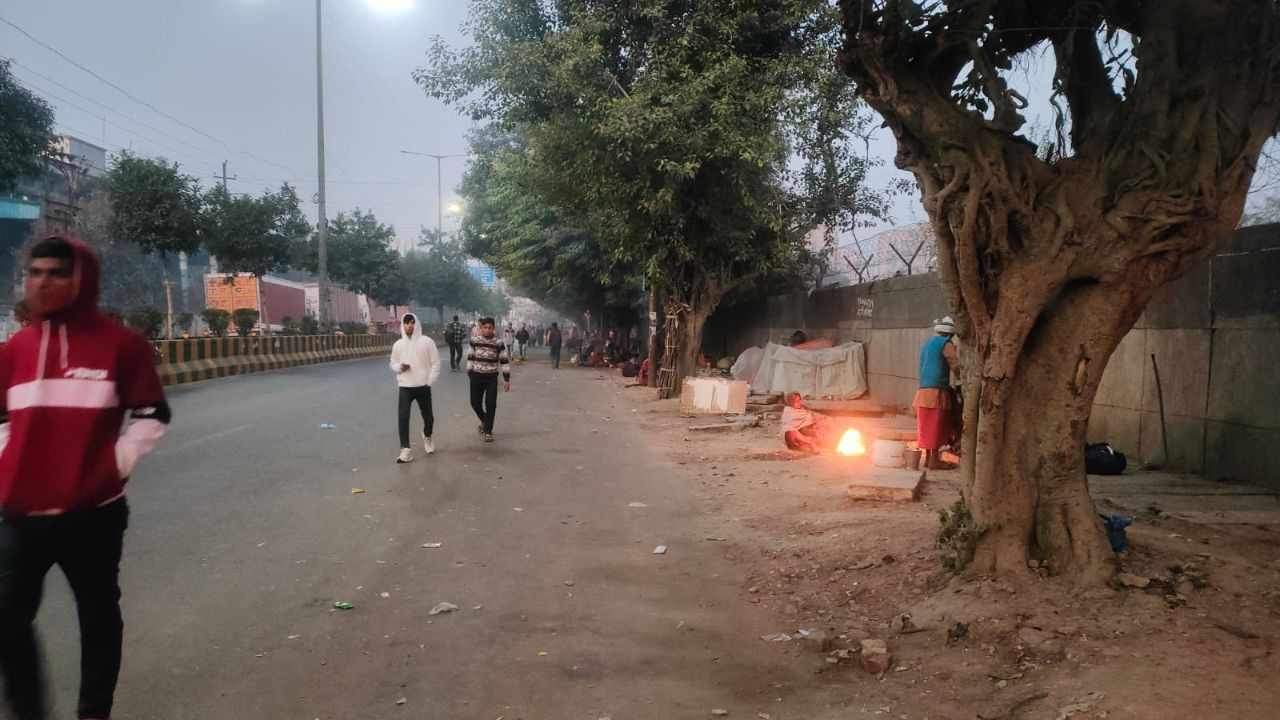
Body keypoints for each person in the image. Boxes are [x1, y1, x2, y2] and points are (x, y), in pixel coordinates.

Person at [0, 235, 171, 720]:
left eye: (57, 273)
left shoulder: (121, 345)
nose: (43, 283)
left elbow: (152, 414)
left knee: (98, 617)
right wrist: (9, 462)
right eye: (35, 273)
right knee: (7, 619)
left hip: (93, 514)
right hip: (21, 513)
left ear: (83, 279)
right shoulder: (13, 351)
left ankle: (94, 712)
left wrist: (110, 468)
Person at [389, 313, 441, 463]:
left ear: (416, 323)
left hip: (423, 386)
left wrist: (430, 381)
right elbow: (393, 362)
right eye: (406, 323)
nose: (409, 325)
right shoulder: (398, 345)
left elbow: (436, 363)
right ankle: (405, 450)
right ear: (403, 325)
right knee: (403, 417)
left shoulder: (427, 342)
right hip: (405, 386)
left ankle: (427, 436)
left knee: (429, 418)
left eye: (412, 322)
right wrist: (400, 367)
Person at [914, 316, 961, 470]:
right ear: (950, 334)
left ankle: (928, 459)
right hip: (937, 392)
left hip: (922, 391)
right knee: (936, 424)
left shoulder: (928, 343)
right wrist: (962, 377)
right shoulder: (946, 344)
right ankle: (934, 461)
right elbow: (954, 363)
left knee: (927, 425)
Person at [468, 317, 511, 442]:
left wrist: (506, 379)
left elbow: (504, 361)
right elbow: (470, 358)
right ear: (481, 328)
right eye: (485, 327)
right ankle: (485, 420)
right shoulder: (474, 341)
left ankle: (488, 431)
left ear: (493, 329)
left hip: (491, 378)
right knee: (475, 403)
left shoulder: (499, 343)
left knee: (491, 404)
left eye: (489, 328)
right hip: (476, 377)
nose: (487, 330)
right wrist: (470, 373)